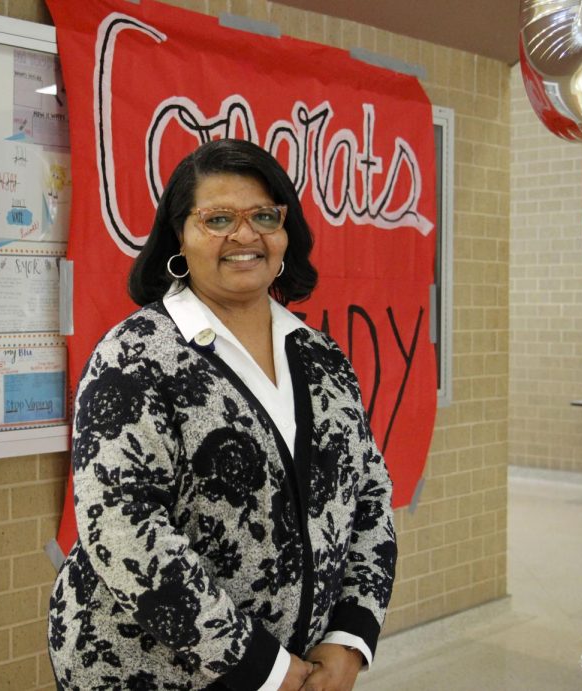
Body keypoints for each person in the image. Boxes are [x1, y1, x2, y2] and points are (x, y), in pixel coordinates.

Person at [48, 139, 397, 691]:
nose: (245, 235)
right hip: (151, 671)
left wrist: (350, 637)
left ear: (286, 232)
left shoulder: (321, 355)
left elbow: (371, 493)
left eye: (264, 215)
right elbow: (122, 530)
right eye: (218, 219)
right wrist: (264, 667)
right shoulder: (135, 358)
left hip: (305, 665)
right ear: (178, 239)